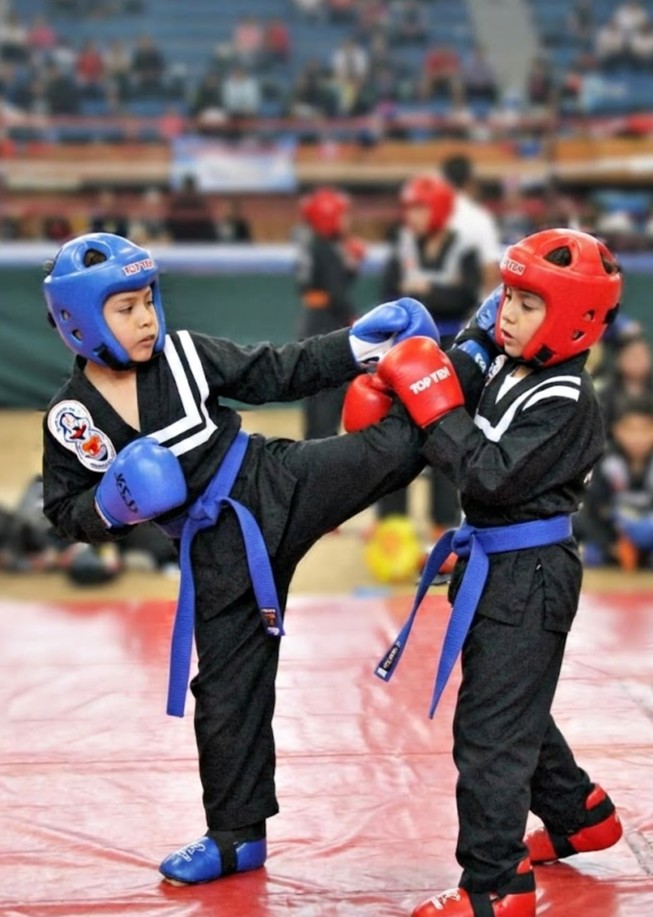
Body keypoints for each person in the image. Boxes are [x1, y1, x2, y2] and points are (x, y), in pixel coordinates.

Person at [41, 231, 437, 887]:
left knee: (394, 446)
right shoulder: (72, 419)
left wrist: (358, 346)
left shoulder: (186, 355)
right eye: (125, 307)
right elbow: (64, 511)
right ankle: (235, 837)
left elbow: (280, 369)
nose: (145, 317)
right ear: (80, 321)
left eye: (147, 300)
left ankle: (475, 366)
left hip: (271, 481)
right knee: (226, 696)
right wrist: (111, 505)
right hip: (216, 552)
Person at [344, 228, 624, 915]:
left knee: (490, 728)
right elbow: (472, 341)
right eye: (509, 295)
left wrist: (433, 401)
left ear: (568, 320)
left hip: (529, 571)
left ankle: (495, 885)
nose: (507, 312)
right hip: (497, 564)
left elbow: (488, 474)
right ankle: (578, 813)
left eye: (528, 305)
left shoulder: (565, 402)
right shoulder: (511, 353)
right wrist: (412, 371)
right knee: (509, 702)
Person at [376, 173, 480, 543]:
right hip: (405, 352)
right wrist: (436, 295)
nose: (413, 217)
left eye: (420, 208)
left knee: (444, 432)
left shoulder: (462, 250)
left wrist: (423, 291)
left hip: (451, 350)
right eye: (410, 209)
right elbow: (388, 294)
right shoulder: (401, 247)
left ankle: (441, 524)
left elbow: (465, 297)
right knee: (396, 435)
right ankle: (392, 526)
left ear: (437, 209)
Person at [295, 187, 367, 439]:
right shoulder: (323, 247)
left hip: (312, 323)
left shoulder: (310, 244)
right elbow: (336, 293)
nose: (346, 221)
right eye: (341, 215)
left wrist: (350, 267)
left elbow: (321, 284)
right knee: (328, 395)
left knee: (315, 398)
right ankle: (321, 454)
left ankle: (311, 450)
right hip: (327, 324)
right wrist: (355, 320)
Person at [576, 394, 653, 571]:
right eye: (631, 429)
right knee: (592, 553)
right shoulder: (604, 462)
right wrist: (612, 545)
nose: (638, 437)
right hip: (612, 543)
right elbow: (591, 511)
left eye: (646, 429)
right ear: (617, 430)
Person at [441, 152, 503, 296]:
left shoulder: (428, 215)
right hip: (466, 306)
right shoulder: (480, 218)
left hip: (431, 303)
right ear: (469, 181)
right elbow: (491, 270)